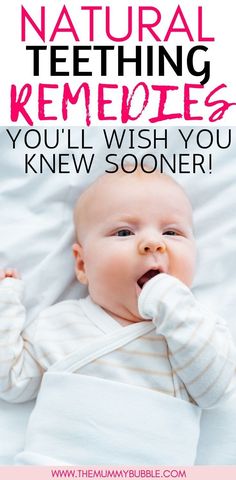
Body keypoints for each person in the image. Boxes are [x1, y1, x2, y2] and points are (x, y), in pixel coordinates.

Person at [0, 169, 235, 465]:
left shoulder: (198, 330)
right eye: (124, 232)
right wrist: (7, 304)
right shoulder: (59, 323)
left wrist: (174, 305)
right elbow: (11, 381)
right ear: (83, 265)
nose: (153, 243)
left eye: (171, 233)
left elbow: (214, 392)